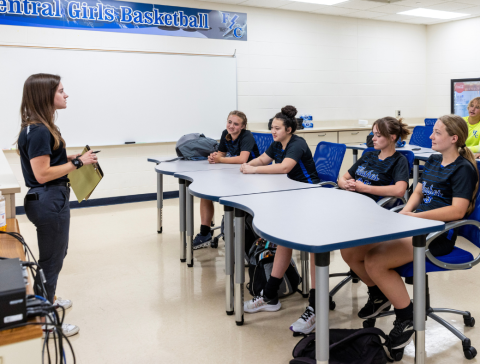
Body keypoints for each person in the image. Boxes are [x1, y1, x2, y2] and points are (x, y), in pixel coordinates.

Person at [345, 115, 478, 351]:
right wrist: (404, 213)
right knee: (351, 250)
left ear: (454, 138)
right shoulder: (435, 160)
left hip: (438, 234)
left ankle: (406, 317)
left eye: (437, 132)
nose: (430, 136)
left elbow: (457, 211)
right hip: (416, 225)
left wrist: (415, 218)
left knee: (375, 260)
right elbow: (417, 192)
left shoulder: (463, 169)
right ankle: (380, 295)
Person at [288, 116, 411, 335]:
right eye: (373, 133)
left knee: (339, 248)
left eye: (378, 135)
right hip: (353, 210)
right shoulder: (369, 155)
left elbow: (399, 190)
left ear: (392, 137)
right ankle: (377, 293)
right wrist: (345, 183)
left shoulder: (398, 160)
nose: (373, 138)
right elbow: (343, 177)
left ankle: (323, 304)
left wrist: (366, 189)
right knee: (345, 252)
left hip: (376, 217)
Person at [16, 74, 97, 337]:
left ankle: (45, 299)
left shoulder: (36, 126)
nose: (66, 94)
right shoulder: (40, 130)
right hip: (49, 199)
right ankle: (46, 320)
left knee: (55, 257)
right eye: (61, 90)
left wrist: (68, 156)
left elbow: (45, 161)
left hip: (47, 199)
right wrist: (77, 163)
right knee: (51, 260)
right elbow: (42, 174)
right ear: (46, 96)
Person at [240, 105, 320, 316]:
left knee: (310, 245)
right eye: (272, 127)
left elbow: (284, 167)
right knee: (283, 240)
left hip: (310, 195)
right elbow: (264, 159)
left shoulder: (297, 144)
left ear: (289, 129)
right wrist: (248, 165)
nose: (273, 131)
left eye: (277, 128)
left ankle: (315, 301)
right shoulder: (277, 144)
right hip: (291, 194)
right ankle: (270, 294)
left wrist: (254, 169)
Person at [192, 110, 259, 249]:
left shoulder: (247, 136)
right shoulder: (225, 134)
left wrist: (220, 159)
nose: (231, 126)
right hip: (233, 172)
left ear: (243, 126)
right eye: (229, 122)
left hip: (250, 175)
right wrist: (214, 156)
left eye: (236, 124)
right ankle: (204, 234)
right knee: (206, 192)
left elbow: (242, 159)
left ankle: (244, 234)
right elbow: (221, 153)